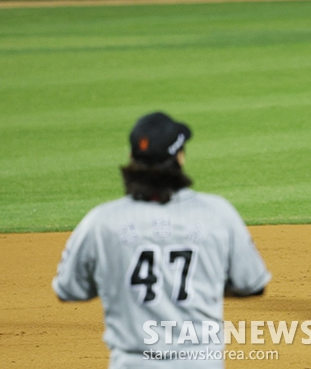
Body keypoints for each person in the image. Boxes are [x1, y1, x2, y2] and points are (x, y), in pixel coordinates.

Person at [52, 112, 271, 368]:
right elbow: (252, 285)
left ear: (131, 159)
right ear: (180, 157)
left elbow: (68, 289)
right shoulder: (217, 214)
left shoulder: (101, 222)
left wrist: (119, 284)